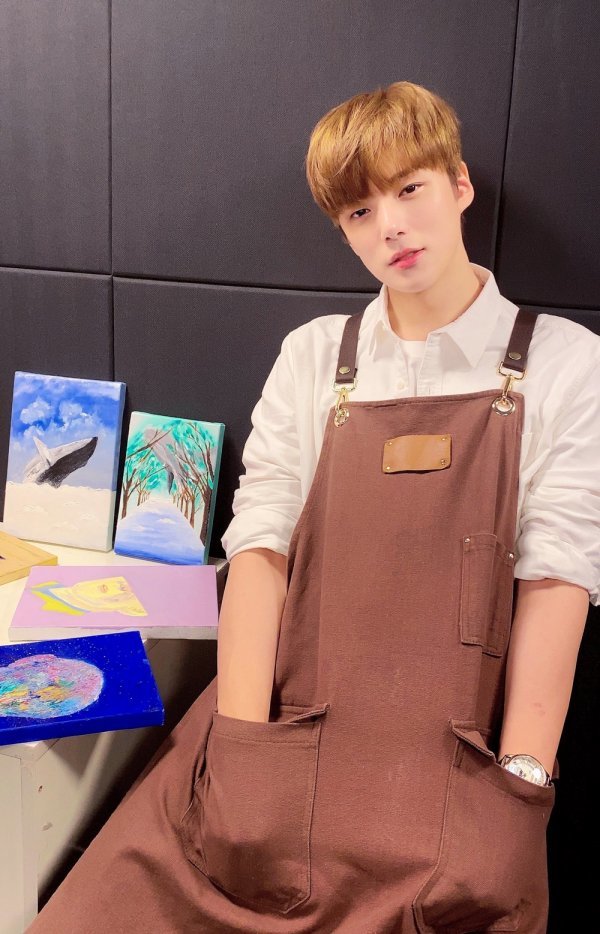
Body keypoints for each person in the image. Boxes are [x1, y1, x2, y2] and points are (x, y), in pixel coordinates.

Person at [29, 81, 599, 934]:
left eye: (409, 190)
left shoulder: (565, 362)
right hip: (279, 753)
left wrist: (522, 786)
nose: (390, 227)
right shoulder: (313, 358)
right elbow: (258, 551)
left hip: (453, 795)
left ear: (459, 185)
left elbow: (559, 576)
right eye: (360, 212)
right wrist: (242, 750)